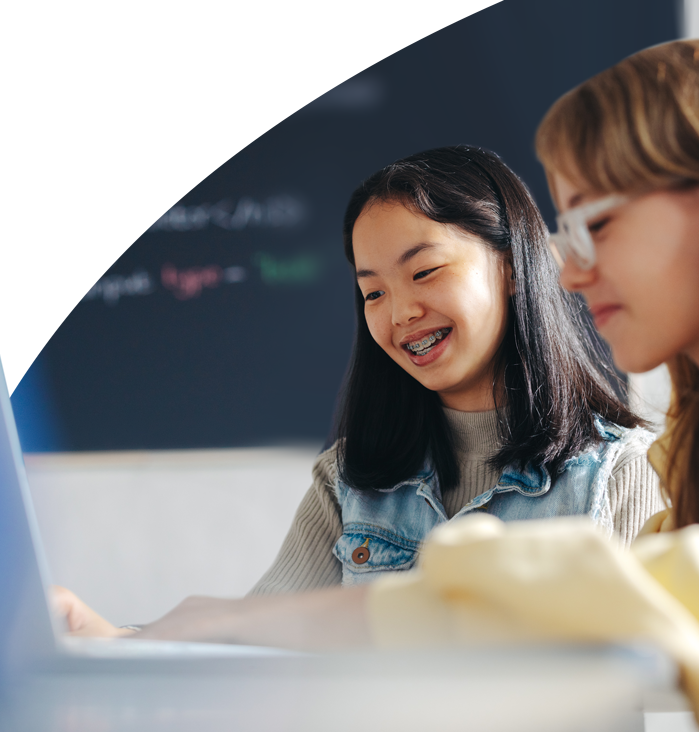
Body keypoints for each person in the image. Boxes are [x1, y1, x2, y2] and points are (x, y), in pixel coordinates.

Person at [66, 41, 699, 731]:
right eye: (371, 289)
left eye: (598, 225)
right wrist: (137, 641)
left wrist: (263, 619)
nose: (575, 264)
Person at [55, 145, 662, 633]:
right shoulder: (348, 481)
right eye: (373, 292)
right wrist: (103, 638)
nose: (399, 313)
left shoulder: (624, 472)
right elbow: (253, 641)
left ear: (511, 267)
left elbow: (654, 668)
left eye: (424, 272)